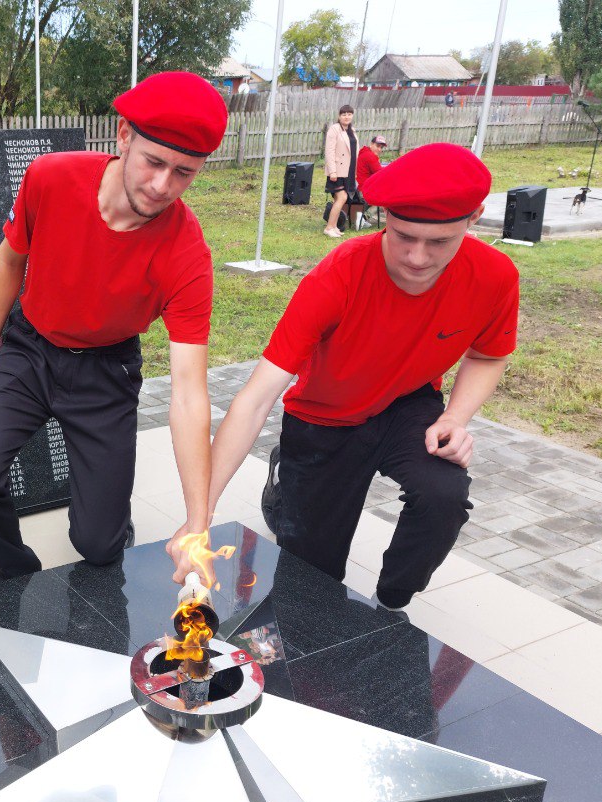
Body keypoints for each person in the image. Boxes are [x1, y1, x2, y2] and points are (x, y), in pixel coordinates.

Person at [207, 143, 519, 610]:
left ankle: (391, 602)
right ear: (384, 217)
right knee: (312, 583)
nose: (417, 257)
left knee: (443, 496)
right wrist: (202, 512)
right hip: (323, 418)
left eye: (439, 242)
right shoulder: (338, 275)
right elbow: (256, 398)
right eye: (403, 236)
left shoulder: (494, 275)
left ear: (474, 218)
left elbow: (488, 355)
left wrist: (455, 418)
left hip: (407, 405)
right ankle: (284, 490)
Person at [0, 71, 227, 584]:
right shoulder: (51, 177)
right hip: (30, 350)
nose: (162, 186)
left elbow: (190, 393)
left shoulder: (188, 254)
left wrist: (197, 522)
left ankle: (110, 520)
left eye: (183, 173)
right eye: (154, 162)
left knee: (99, 546)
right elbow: (10, 260)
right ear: (124, 137)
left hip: (106, 371)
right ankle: (14, 567)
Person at [323, 105, 360, 238]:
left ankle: (334, 226)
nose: (346, 117)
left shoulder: (352, 131)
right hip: (337, 171)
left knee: (339, 199)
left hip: (348, 171)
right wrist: (332, 171)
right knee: (342, 197)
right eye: (344, 114)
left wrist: (355, 171)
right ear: (339, 116)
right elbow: (329, 151)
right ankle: (328, 228)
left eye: (349, 114)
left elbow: (354, 153)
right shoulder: (334, 129)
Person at [352, 135, 387, 228]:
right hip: (365, 190)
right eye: (377, 146)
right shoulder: (370, 156)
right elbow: (381, 174)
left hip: (360, 187)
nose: (379, 149)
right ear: (371, 144)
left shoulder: (363, 152)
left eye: (381, 147)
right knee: (384, 201)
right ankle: (363, 218)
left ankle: (361, 218)